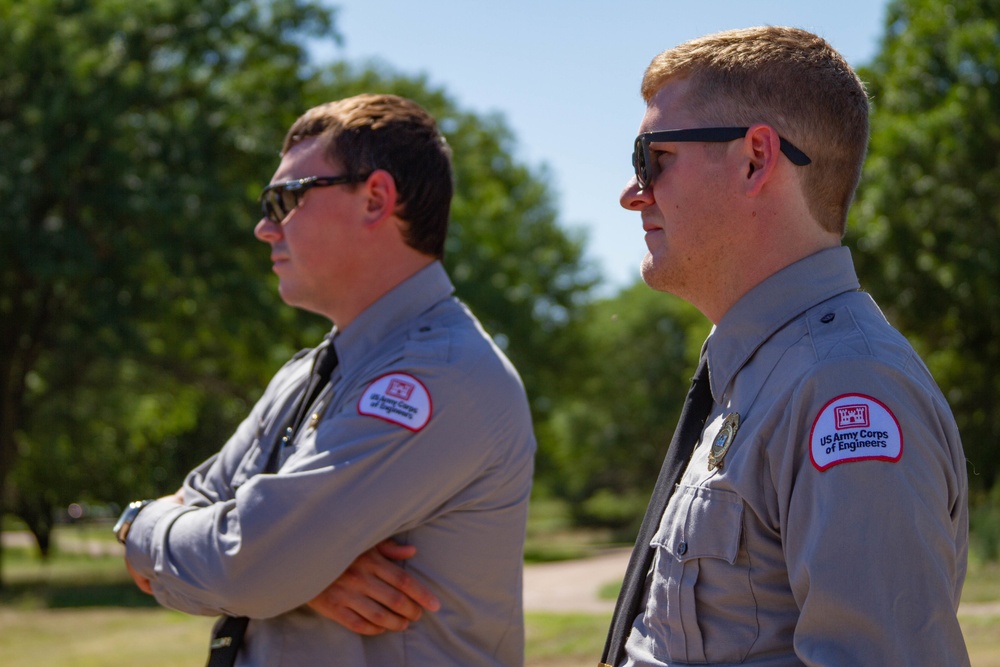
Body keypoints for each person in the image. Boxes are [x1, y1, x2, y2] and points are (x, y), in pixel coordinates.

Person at [114, 93, 536, 666]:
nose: (265, 228)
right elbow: (218, 523)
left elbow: (243, 565)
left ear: (375, 198)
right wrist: (301, 575)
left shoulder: (441, 376)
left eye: (285, 199)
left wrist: (141, 526)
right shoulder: (303, 375)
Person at [601, 26, 970, 666]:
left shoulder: (846, 387)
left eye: (652, 158)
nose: (634, 193)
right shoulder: (766, 371)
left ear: (755, 158)